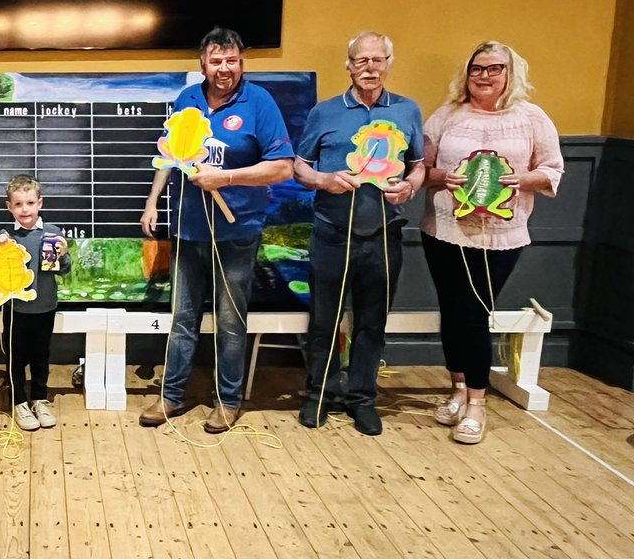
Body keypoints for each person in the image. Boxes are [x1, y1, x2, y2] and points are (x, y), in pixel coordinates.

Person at [139, 27, 295, 433]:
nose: (224, 69)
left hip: (236, 231)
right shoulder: (187, 99)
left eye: (232, 61)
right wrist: (154, 199)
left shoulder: (259, 102)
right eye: (216, 61)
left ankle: (228, 400)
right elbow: (171, 155)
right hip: (188, 230)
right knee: (183, 316)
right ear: (202, 64)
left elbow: (283, 167)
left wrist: (224, 178)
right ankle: (171, 396)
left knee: (229, 320)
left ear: (241, 62)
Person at [421, 41, 563, 444]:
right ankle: (457, 388)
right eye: (476, 69)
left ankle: (477, 404)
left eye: (493, 68)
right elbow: (423, 169)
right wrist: (441, 178)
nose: (484, 76)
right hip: (444, 230)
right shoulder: (446, 116)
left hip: (501, 235)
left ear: (510, 72)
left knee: (474, 311)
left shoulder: (531, 117)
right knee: (452, 309)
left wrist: (518, 179)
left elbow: (553, 171)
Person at [293, 31, 426, 436]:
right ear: (348, 65)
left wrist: (411, 185)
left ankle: (362, 398)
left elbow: (418, 164)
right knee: (325, 320)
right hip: (332, 233)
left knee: (372, 322)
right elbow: (299, 167)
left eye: (377, 60)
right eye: (361, 61)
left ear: (388, 62)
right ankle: (319, 393)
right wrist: (325, 179)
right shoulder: (325, 112)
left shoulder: (407, 111)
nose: (370, 68)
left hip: (384, 233)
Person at [0, 174, 71, 431]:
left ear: (40, 204)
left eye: (30, 203)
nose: (25, 209)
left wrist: (64, 254)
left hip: (45, 307)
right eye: (19, 204)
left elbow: (62, 270)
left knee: (40, 357)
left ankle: (38, 398)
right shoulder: (5, 236)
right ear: (9, 207)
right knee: (16, 357)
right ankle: (18, 402)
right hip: (15, 309)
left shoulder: (52, 233)